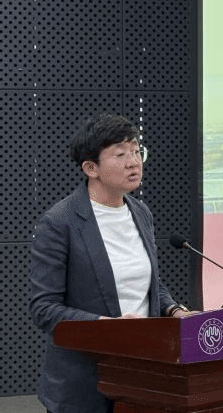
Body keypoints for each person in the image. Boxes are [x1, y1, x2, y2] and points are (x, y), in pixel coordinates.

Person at [30, 113, 192, 413]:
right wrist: (109, 327)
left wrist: (173, 309)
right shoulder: (60, 222)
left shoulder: (141, 212)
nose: (134, 162)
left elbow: (148, 282)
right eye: (120, 155)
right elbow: (45, 308)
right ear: (91, 168)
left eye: (137, 151)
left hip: (143, 375)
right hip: (86, 382)